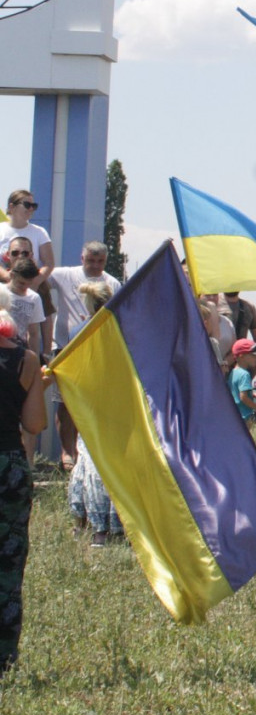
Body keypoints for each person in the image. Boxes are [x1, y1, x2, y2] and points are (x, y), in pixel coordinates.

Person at [0, 286, 46, 674]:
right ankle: (4, 657)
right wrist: (38, 386)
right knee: (8, 566)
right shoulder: (26, 360)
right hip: (9, 468)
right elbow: (34, 424)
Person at [49, 242, 120, 469]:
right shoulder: (66, 275)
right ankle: (67, 453)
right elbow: (38, 281)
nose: (95, 265)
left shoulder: (112, 283)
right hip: (66, 348)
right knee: (65, 403)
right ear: (82, 258)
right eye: (91, 260)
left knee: (91, 404)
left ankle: (86, 456)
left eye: (100, 261)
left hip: (97, 352)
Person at [66, 282, 123, 547]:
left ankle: (85, 524)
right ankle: (106, 527)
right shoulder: (122, 331)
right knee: (107, 466)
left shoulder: (80, 331)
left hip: (90, 405)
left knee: (88, 464)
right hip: (116, 406)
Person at [0, 191, 54, 294]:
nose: (31, 209)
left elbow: (49, 263)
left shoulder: (40, 232)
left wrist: (35, 281)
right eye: (27, 205)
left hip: (31, 288)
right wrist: (8, 277)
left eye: (34, 206)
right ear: (12, 207)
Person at [228, 339, 256, 421]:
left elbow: (236, 392)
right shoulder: (245, 374)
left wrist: (251, 394)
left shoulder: (233, 372)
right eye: (253, 355)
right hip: (246, 415)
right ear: (242, 356)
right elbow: (243, 397)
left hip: (235, 415)